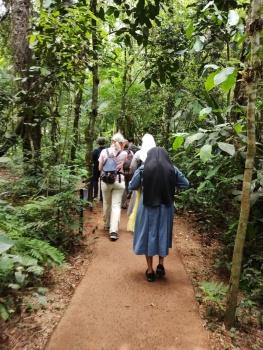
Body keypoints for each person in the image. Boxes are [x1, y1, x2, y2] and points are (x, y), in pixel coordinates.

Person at [128, 147, 189, 282]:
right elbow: (185, 184)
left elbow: (131, 186)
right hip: (166, 207)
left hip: (147, 207)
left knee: (148, 235)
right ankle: (161, 265)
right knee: (162, 234)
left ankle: (150, 271)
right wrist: (172, 185)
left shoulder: (143, 169)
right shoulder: (172, 169)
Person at [98, 132, 127, 241]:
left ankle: (107, 225)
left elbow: (99, 168)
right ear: (121, 142)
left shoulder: (103, 152)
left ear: (112, 141)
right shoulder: (124, 153)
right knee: (116, 205)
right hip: (119, 181)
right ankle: (113, 231)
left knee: (107, 203)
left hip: (106, 181)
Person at [127, 133, 156, 232]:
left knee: (138, 203)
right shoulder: (157, 154)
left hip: (141, 182)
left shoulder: (139, 153)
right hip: (155, 183)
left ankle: (137, 225)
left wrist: (133, 178)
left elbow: (132, 167)